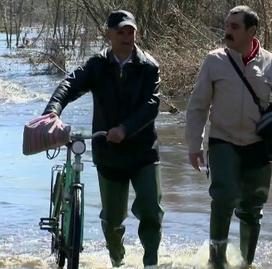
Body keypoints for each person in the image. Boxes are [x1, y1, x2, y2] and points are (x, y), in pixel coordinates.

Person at [185, 5, 272, 269]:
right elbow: (198, 106)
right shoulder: (214, 60)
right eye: (227, 25)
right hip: (223, 140)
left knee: (253, 208)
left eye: (234, 27)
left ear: (251, 31)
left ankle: (246, 263)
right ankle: (216, 261)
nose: (227, 31)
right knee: (224, 196)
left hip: (258, 145)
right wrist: (194, 145)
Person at [42, 10, 163, 268]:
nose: (126, 36)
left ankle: (151, 263)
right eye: (120, 31)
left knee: (152, 211)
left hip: (143, 151)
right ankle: (117, 259)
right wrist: (52, 111)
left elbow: (152, 105)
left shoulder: (149, 66)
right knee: (113, 219)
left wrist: (125, 128)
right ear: (108, 34)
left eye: (130, 31)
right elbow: (69, 85)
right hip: (109, 152)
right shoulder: (97, 65)